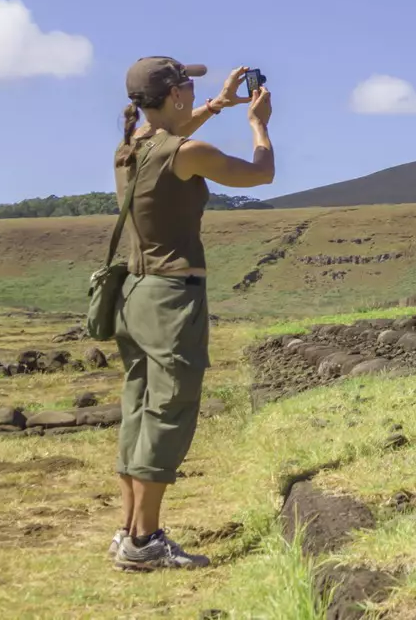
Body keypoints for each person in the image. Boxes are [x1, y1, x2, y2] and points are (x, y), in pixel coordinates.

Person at [109, 56, 275, 572]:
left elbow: (172, 136)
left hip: (132, 295)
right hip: (170, 298)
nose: (191, 91)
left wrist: (218, 103)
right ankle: (145, 541)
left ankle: (129, 531)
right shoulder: (187, 151)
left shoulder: (130, 146)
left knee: (138, 408)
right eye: (187, 85)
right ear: (175, 95)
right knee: (170, 410)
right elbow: (261, 175)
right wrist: (258, 126)